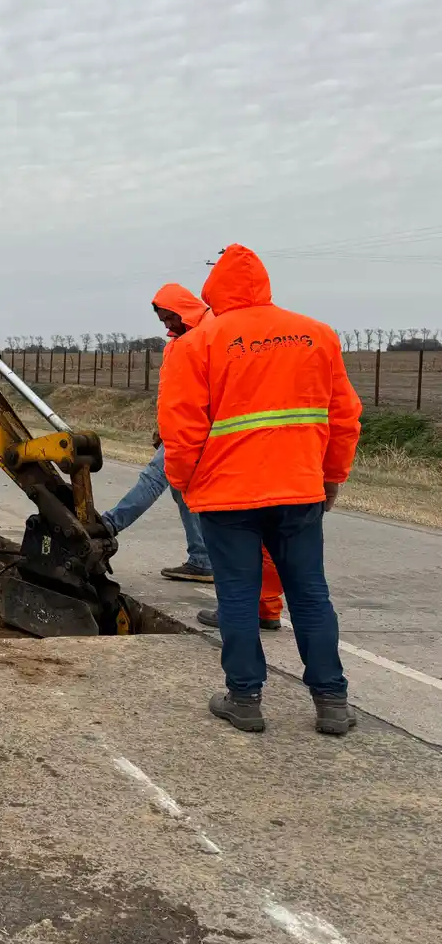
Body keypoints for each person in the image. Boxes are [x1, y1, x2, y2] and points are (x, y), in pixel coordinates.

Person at [160, 244, 362, 736]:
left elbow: (181, 428)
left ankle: (245, 699)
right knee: (311, 595)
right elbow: (344, 418)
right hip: (299, 491)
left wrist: (185, 483)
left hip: (228, 497)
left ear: (214, 291)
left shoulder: (198, 343)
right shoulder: (317, 335)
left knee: (237, 595)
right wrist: (330, 477)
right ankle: (332, 702)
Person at [98, 284, 214, 583]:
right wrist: (163, 427)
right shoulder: (182, 339)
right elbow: (175, 390)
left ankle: (108, 525)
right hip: (181, 426)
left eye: (168, 318)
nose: (166, 325)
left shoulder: (208, 335)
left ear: (182, 310)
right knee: (181, 490)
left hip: (198, 428)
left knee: (154, 477)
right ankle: (202, 559)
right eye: (162, 320)